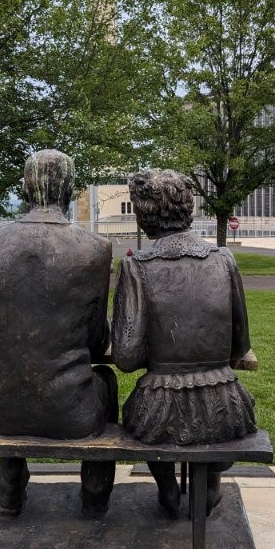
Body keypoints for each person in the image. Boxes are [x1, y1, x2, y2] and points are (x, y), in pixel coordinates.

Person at [0, 149, 117, 516]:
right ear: (69, 189)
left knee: (13, 374)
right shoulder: (95, 250)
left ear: (24, 189)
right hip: (70, 413)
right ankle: (95, 497)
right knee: (106, 381)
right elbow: (98, 343)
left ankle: (10, 492)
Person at [112, 169, 255, 517]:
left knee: (141, 417)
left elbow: (126, 358)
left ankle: (168, 489)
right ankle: (209, 486)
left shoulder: (135, 266)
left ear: (145, 215)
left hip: (159, 408)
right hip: (227, 406)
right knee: (218, 420)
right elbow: (240, 346)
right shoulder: (224, 259)